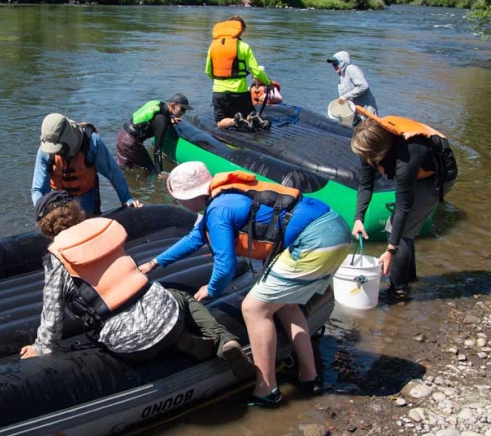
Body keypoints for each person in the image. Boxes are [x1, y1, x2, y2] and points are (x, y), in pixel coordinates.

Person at [139, 163, 351, 406]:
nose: (178, 204)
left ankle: (266, 389)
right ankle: (308, 376)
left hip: (314, 241)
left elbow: (226, 265)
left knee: (254, 308)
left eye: (178, 199)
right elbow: (195, 237)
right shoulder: (226, 194)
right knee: (287, 306)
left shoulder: (219, 210)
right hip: (335, 228)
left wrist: (211, 290)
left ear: (190, 196)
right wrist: (155, 263)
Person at [20, 190, 252, 377]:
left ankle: (176, 341)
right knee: (180, 296)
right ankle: (222, 338)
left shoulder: (57, 256)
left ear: (46, 227)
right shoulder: (104, 229)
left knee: (115, 327)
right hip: (168, 315)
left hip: (128, 344)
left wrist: (41, 349)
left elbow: (52, 314)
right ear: (76, 211)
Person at [350, 108, 458, 300]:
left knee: (397, 229)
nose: (365, 160)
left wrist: (390, 250)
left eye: (367, 157)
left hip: (438, 176)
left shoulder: (407, 154)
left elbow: (404, 206)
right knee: (401, 230)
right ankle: (409, 277)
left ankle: (398, 291)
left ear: (379, 152)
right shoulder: (368, 148)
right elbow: (366, 185)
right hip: (416, 170)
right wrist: (359, 218)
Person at [31, 113, 142, 217]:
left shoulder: (92, 143)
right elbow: (38, 189)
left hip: (86, 197)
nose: (56, 152)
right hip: (58, 202)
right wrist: (42, 212)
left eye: (60, 149)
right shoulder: (45, 152)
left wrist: (127, 199)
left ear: (69, 140)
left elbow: (113, 173)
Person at [206, 16, 273, 131]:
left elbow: (208, 71)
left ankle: (235, 120)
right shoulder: (244, 46)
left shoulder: (213, 46)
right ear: (240, 30)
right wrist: (268, 82)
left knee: (220, 122)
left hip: (219, 91)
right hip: (240, 91)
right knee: (247, 111)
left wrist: (219, 82)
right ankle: (253, 117)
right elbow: (256, 71)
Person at [115, 93, 193, 175]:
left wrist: (169, 122)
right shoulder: (162, 120)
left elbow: (151, 122)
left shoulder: (160, 106)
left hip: (122, 135)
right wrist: (159, 172)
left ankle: (132, 184)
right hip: (130, 142)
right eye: (183, 109)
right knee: (150, 171)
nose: (184, 112)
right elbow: (157, 150)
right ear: (173, 105)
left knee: (125, 168)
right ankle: (147, 185)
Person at [326, 51, 378, 117]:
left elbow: (364, 86)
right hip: (356, 112)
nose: (334, 66)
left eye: (336, 63)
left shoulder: (351, 69)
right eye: (333, 64)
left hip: (367, 111)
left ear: (343, 62)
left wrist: (345, 97)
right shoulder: (341, 76)